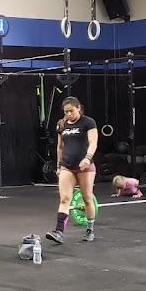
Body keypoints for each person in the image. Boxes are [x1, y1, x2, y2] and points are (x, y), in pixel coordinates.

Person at [46, 96, 98, 244]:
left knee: (87, 198)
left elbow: (93, 142)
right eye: (66, 111)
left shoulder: (88, 122)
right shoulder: (62, 125)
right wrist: (58, 166)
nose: (69, 114)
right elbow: (59, 147)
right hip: (67, 166)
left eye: (71, 111)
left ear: (78, 108)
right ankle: (59, 232)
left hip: (85, 167)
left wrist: (87, 158)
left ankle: (90, 229)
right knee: (64, 199)